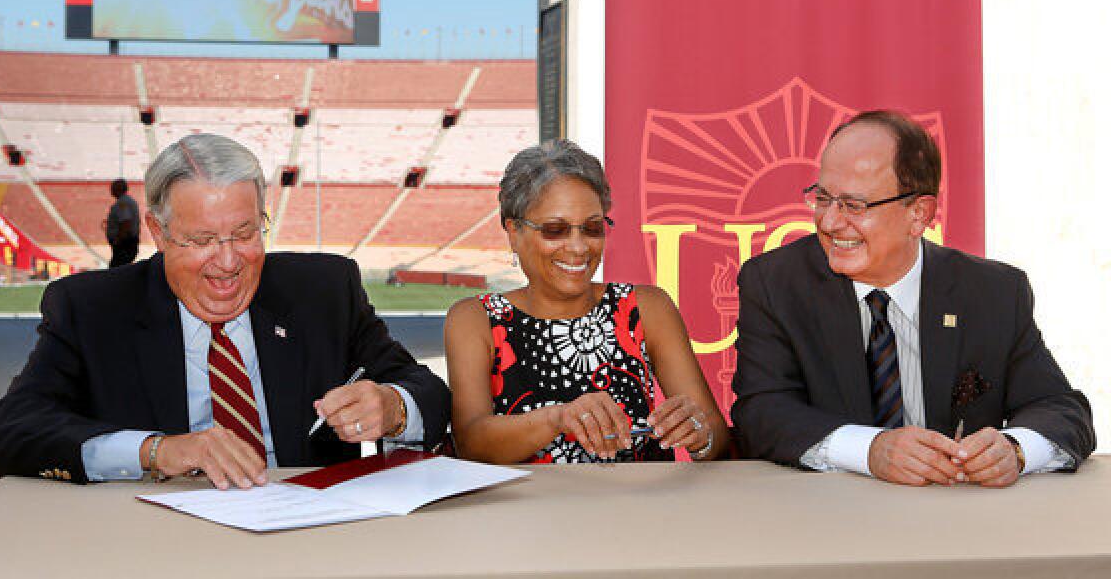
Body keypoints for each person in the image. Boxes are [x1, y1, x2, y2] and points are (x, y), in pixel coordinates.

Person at [0, 134, 449, 489]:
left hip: (306, 542)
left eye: (245, 234)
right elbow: (8, 432)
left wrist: (393, 408)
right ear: (158, 233)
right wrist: (156, 451)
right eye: (202, 240)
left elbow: (427, 391)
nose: (228, 262)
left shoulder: (324, 291)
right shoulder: (92, 309)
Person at [732, 110, 1095, 486]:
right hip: (828, 521)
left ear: (918, 214)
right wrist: (870, 450)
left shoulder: (994, 293)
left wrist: (1014, 450)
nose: (829, 222)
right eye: (823, 198)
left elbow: (1062, 410)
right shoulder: (776, 283)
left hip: (957, 525)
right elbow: (761, 413)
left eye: (854, 206)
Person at [446, 139, 729, 464]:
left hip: (640, 509)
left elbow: (717, 439)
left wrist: (699, 436)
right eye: (556, 230)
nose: (579, 247)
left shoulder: (647, 307)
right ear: (514, 231)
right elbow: (471, 444)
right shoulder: (476, 319)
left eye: (592, 229)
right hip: (524, 512)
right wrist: (557, 418)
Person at [105, 178, 140, 267]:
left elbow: (126, 222)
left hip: (124, 244)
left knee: (117, 270)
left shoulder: (122, 203)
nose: (111, 190)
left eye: (112, 187)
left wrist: (118, 239)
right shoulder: (128, 201)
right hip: (127, 242)